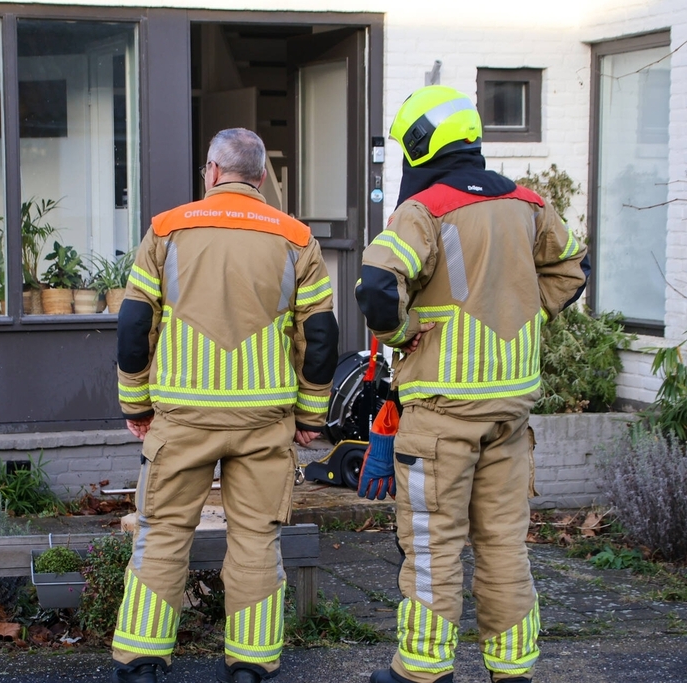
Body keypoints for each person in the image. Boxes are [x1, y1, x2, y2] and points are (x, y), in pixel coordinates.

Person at [355, 85, 589, 683]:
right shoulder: (530, 204)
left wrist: (407, 335)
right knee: (505, 546)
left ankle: (422, 670)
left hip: (440, 417)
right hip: (509, 416)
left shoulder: (423, 210)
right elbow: (572, 268)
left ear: (417, 145)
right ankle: (512, 668)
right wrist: (529, 316)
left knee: (434, 551)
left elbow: (378, 287)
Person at [111, 128, 339, 683]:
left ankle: (142, 660)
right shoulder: (296, 238)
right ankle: (251, 665)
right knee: (257, 538)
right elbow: (321, 336)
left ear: (211, 172)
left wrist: (136, 405)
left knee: (163, 531)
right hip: (264, 422)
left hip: (182, 419)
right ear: (260, 178)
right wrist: (310, 415)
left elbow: (135, 325)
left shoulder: (166, 231)